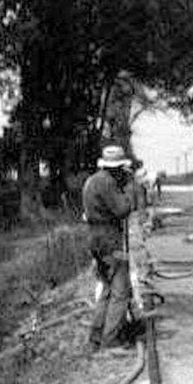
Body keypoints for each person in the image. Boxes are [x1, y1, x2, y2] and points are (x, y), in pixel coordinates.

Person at [82, 144, 135, 351]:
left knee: (106, 288)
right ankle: (111, 340)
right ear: (117, 167)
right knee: (121, 290)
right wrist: (129, 190)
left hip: (94, 239)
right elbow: (123, 209)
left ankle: (96, 336)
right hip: (110, 240)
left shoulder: (91, 181)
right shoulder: (108, 183)